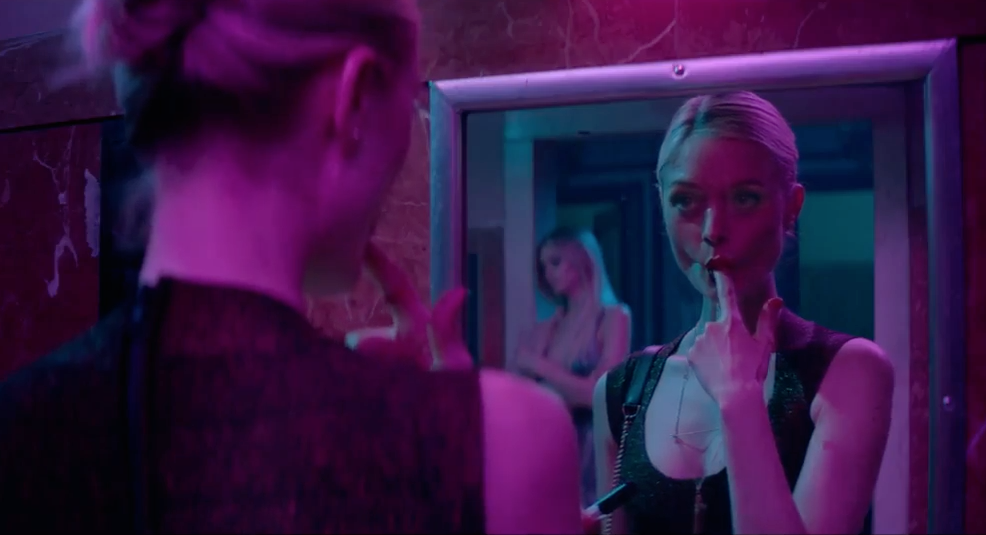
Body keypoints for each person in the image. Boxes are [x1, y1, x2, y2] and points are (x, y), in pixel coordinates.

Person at [0, 0, 583, 533]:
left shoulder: (21, 425)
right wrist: (450, 433)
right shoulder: (507, 441)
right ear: (356, 99)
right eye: (410, 99)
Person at [592, 91, 894, 534]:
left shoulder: (847, 369)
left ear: (791, 208)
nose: (713, 230)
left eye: (745, 199)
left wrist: (739, 398)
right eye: (685, 201)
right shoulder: (623, 389)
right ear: (662, 208)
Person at [515, 227, 632, 509]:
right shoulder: (549, 328)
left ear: (582, 260)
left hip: (592, 449)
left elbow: (600, 394)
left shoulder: (613, 317)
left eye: (555, 262)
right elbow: (524, 396)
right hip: (548, 445)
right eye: (543, 266)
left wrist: (538, 365)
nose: (548, 274)